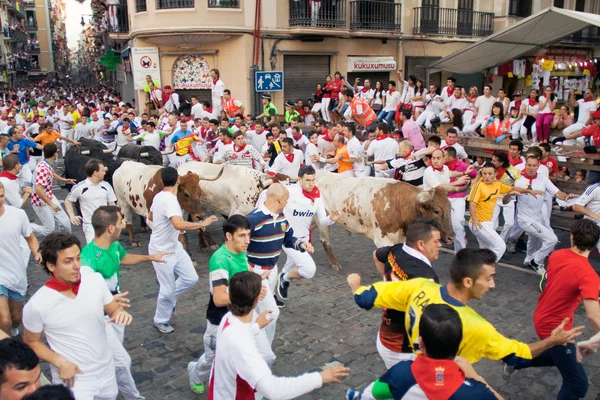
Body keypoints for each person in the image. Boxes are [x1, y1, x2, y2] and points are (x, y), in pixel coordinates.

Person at [348, 248, 583, 364]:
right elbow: (516, 356)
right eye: (489, 278)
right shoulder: (476, 326)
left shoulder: (418, 286)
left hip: (412, 368)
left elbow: (366, 298)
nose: (493, 285)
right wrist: (553, 341)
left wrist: (356, 285)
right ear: (468, 282)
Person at [23, 233, 133, 399]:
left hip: (106, 370)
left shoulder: (95, 280)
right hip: (73, 378)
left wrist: (119, 313)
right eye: (68, 261)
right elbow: (31, 341)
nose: (76, 266)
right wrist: (59, 362)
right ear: (51, 266)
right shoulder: (38, 304)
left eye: (77, 258)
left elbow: (112, 308)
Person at [207, 270, 349, 398]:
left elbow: (236, 335)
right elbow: (273, 390)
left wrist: (257, 326)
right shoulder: (242, 345)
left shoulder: (228, 319)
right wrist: (321, 377)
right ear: (257, 300)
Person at [504, 220, 600, 400]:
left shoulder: (557, 255)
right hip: (555, 328)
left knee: (556, 355)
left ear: (572, 238)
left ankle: (514, 361)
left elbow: (566, 280)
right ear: (594, 245)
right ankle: (515, 360)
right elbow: (593, 316)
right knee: (577, 384)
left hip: (542, 316)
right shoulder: (589, 276)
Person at [81, 206, 169, 399]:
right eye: (121, 221)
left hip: (116, 310)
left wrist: (150, 257)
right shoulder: (87, 258)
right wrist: (106, 301)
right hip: (102, 315)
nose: (124, 224)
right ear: (111, 228)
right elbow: (83, 292)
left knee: (112, 356)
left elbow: (124, 258)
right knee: (122, 361)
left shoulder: (113, 246)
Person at [187, 215, 274, 394]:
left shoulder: (240, 249)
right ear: (228, 236)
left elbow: (243, 273)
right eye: (242, 235)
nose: (247, 241)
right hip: (221, 321)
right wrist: (253, 291)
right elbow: (219, 298)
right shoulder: (220, 260)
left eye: (248, 235)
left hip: (245, 316)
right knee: (212, 360)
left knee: (265, 355)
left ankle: (255, 391)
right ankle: (195, 372)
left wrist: (256, 277)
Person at [346, 304, 501, 400]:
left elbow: (375, 392)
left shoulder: (401, 372)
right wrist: (477, 377)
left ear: (421, 342)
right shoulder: (476, 392)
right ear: (460, 341)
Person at [148, 167, 218, 333]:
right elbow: (178, 224)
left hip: (175, 247)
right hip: (161, 251)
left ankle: (171, 299)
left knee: (191, 278)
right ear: (178, 181)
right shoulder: (169, 200)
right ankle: (160, 319)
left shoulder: (160, 196)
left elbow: (150, 217)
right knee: (166, 289)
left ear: (161, 181)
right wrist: (203, 223)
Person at [245, 183, 314, 342]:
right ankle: (262, 348)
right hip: (255, 272)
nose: (288, 203)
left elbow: (289, 239)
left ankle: (255, 342)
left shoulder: (282, 218)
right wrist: (247, 269)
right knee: (271, 312)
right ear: (280, 198)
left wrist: (301, 245)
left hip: (272, 270)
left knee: (258, 309)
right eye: (287, 200)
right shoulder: (252, 219)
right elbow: (237, 246)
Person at [370, 219, 441, 368]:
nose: (440, 245)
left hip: (385, 335)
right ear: (421, 244)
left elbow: (376, 255)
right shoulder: (426, 278)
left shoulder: (396, 250)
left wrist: (386, 281)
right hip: (402, 350)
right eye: (436, 241)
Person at [274, 166, 340, 302]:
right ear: (299, 179)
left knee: (288, 268)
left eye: (313, 180)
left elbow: (322, 221)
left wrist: (332, 218)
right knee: (309, 270)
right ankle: (284, 278)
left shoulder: (317, 194)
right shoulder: (289, 191)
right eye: (308, 180)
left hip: (304, 239)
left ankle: (273, 295)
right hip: (288, 239)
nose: (311, 184)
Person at [503, 156, 571, 276]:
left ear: (538, 166)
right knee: (552, 239)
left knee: (533, 240)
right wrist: (509, 195)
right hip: (525, 220)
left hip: (538, 218)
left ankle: (528, 260)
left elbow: (558, 193)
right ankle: (537, 261)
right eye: (529, 165)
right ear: (526, 165)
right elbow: (505, 201)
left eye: (534, 166)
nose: (531, 168)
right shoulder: (519, 181)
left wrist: (567, 196)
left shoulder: (543, 179)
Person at [468, 163, 543, 262]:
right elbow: (472, 203)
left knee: (485, 251)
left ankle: (475, 270)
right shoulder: (478, 186)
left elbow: (513, 189)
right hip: (479, 223)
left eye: (490, 174)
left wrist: (529, 191)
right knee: (500, 247)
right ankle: (485, 268)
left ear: (495, 174)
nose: (487, 176)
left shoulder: (497, 185)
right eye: (484, 174)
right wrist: (475, 219)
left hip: (487, 223)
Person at [0, 182, 40, 337]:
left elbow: (30, 238)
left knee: (16, 318)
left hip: (16, 272)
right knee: (5, 321)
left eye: (2, 196)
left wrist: (38, 253)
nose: (0, 200)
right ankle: (6, 353)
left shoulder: (17, 215)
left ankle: (13, 334)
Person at [64, 159, 116, 244]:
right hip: (90, 226)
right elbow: (68, 201)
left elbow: (112, 204)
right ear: (95, 173)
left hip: (106, 225)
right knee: (95, 253)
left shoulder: (106, 186)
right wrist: (72, 216)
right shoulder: (80, 187)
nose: (105, 173)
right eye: (102, 171)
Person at [31, 143, 75, 236]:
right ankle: (27, 226)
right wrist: (51, 204)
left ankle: (63, 241)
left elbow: (51, 174)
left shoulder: (46, 164)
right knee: (49, 230)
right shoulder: (43, 168)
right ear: (55, 154)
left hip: (49, 196)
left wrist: (65, 180)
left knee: (65, 223)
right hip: (40, 201)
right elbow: (38, 189)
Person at [444, 147, 478, 252]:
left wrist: (473, 183)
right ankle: (450, 235)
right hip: (445, 197)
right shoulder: (443, 166)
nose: (442, 158)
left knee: (460, 219)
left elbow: (476, 174)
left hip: (459, 196)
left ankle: (461, 236)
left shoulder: (463, 165)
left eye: (444, 155)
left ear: (450, 157)